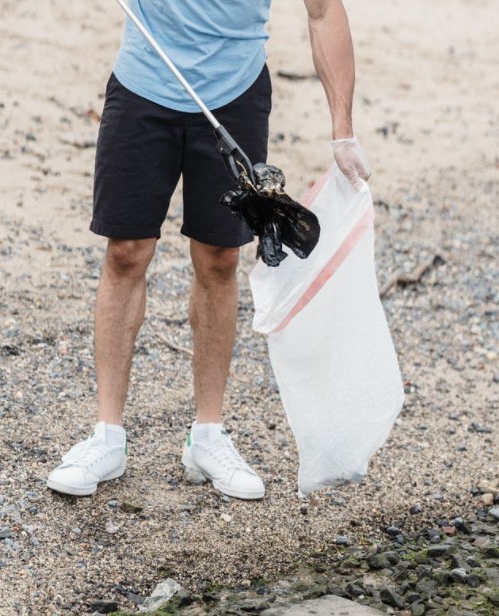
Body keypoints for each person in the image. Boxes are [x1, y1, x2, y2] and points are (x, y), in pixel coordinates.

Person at [47, 0, 371, 500]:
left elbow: (324, 12)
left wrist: (343, 131)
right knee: (126, 252)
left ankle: (208, 436)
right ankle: (107, 437)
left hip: (234, 95)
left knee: (221, 258)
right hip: (143, 86)